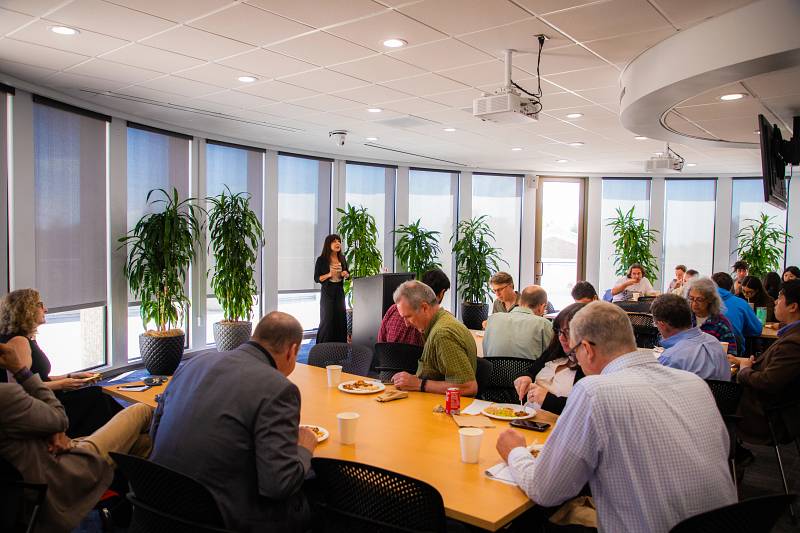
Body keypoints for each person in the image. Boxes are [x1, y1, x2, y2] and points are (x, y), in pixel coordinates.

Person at [495, 302, 736, 532]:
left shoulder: (594, 392)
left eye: (576, 351)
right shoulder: (694, 383)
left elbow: (545, 491)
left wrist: (515, 452)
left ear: (587, 349)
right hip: (726, 525)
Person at [149, 312, 317, 533]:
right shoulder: (278, 388)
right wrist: (304, 448)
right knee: (317, 497)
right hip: (220, 517)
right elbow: (279, 485)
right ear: (293, 351)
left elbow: (154, 433)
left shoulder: (192, 363)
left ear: (255, 337)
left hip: (156, 502)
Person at [0, 341, 153, 533]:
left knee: (142, 443)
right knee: (142, 410)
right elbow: (59, 418)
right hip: (61, 471)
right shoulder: (6, 396)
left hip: (28, 477)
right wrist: (21, 371)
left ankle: (134, 508)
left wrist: (50, 429)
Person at [0, 289, 123, 437]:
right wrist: (62, 384)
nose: (45, 309)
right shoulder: (19, 342)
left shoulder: (26, 339)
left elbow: (37, 377)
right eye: (40, 304)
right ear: (26, 309)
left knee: (100, 397)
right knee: (98, 398)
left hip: (46, 398)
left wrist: (71, 376)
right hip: (42, 407)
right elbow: (21, 389)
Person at [731, 280, 800, 445]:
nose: (775, 302)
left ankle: (735, 456)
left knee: (711, 401)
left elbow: (768, 381)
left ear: (793, 306)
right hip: (773, 406)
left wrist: (746, 371)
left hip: (766, 413)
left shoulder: (793, 343)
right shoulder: (790, 335)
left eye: (780, 298)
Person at [390, 281, 477, 396]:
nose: (406, 324)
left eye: (408, 316)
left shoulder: (442, 334)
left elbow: (468, 387)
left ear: (424, 308)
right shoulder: (442, 321)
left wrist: (418, 384)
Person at [512, 302, 587, 415]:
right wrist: (525, 377)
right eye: (559, 331)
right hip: (530, 420)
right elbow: (531, 371)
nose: (561, 337)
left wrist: (547, 399)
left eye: (567, 332)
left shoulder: (589, 367)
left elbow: (582, 410)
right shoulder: (555, 351)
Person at [651, 294, 730, 381]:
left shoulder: (669, 359)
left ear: (662, 325)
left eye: (655, 324)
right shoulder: (714, 342)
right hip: (720, 394)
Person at [377, 268, 450, 346]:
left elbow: (380, 344)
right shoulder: (440, 322)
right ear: (442, 293)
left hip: (389, 358)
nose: (407, 323)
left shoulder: (393, 309)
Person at [483, 286, 553, 360]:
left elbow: (486, 352)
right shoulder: (544, 324)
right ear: (542, 307)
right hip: (529, 371)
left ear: (520, 302)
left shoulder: (492, 319)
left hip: (496, 370)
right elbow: (551, 356)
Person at [687, 277, 738, 355]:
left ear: (710, 299)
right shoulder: (685, 318)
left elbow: (731, 352)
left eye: (699, 300)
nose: (694, 303)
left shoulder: (720, 323)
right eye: (691, 298)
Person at [314, 234, 349, 343]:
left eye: (339, 241)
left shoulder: (342, 258)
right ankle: (322, 349)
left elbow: (347, 273)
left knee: (340, 319)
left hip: (339, 292)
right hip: (327, 293)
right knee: (327, 320)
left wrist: (346, 274)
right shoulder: (321, 260)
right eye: (334, 241)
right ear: (328, 244)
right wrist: (329, 274)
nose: (338, 243)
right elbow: (316, 278)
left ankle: (340, 351)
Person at [711, 272, 762, 342]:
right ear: (731, 287)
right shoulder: (742, 304)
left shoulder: (699, 301)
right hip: (733, 348)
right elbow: (757, 330)